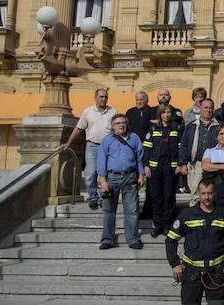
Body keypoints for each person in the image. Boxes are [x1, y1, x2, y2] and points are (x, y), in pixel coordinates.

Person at [96, 113, 145, 250]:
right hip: (112, 178)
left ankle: (133, 239)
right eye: (118, 123)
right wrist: (102, 180)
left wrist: (141, 175)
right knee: (109, 211)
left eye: (123, 122)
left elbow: (140, 157)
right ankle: (107, 239)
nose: (121, 125)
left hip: (130, 177)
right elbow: (101, 161)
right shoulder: (107, 140)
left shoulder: (134, 138)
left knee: (132, 210)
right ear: (113, 126)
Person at [65, 88, 116, 210]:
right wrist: (68, 143)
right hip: (92, 145)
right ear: (95, 97)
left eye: (105, 97)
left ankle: (104, 195)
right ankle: (93, 197)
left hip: (108, 147)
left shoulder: (112, 111)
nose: (104, 99)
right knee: (90, 173)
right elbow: (78, 128)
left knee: (107, 173)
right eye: (101, 97)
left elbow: (118, 129)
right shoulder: (88, 111)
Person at [142, 104, 183, 237]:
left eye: (168, 112)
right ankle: (157, 225)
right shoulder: (153, 129)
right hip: (155, 167)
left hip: (171, 167)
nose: (167, 115)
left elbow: (181, 148)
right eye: (164, 112)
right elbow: (147, 149)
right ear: (160, 114)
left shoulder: (176, 128)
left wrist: (179, 164)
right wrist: (146, 165)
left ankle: (167, 225)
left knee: (169, 197)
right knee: (156, 197)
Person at [179, 98, 221, 203]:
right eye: (205, 108)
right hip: (196, 164)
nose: (208, 110)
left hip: (214, 165)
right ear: (200, 109)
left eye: (211, 108)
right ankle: (195, 216)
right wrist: (183, 163)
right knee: (196, 195)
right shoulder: (192, 126)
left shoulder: (219, 126)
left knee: (213, 194)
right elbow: (184, 145)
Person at [201, 123, 224, 189]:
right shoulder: (209, 151)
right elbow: (205, 166)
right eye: (221, 134)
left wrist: (212, 166)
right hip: (211, 185)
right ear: (217, 136)